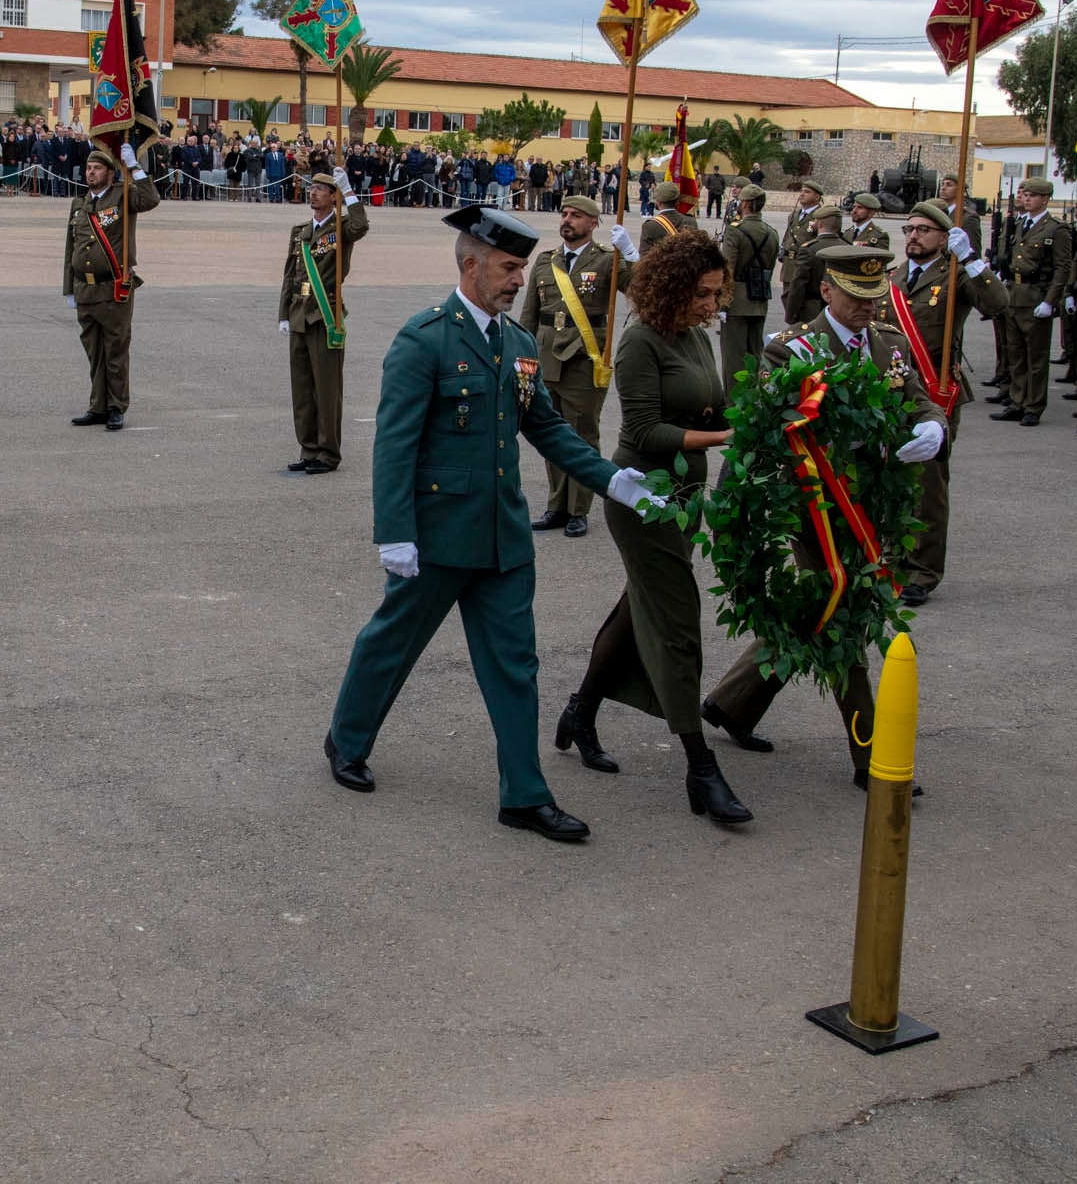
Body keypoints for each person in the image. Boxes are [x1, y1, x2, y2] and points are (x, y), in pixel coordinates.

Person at [323, 205, 630, 844]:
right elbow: (395, 444)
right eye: (509, 268)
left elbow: (546, 428)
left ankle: (524, 796)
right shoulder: (425, 338)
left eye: (521, 268)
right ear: (471, 265)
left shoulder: (519, 345)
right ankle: (346, 740)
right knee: (392, 643)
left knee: (515, 665)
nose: (519, 280)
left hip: (502, 538)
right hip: (437, 536)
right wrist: (395, 532)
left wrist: (612, 480)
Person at [701, 247, 948, 785]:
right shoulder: (790, 350)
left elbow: (918, 399)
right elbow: (766, 427)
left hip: (871, 504)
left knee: (818, 607)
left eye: (874, 297)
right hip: (812, 503)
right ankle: (872, 758)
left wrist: (933, 426)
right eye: (856, 297)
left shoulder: (890, 344)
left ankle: (732, 702)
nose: (867, 307)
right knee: (844, 615)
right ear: (827, 290)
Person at [554, 229, 756, 822]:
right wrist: (724, 436)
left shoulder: (695, 337)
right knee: (676, 626)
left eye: (717, 294)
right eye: (701, 294)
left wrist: (761, 413)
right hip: (643, 498)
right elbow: (644, 431)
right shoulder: (640, 340)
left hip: (685, 498)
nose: (711, 305)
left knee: (635, 611)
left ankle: (580, 712)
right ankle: (700, 768)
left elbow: (711, 407)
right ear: (671, 288)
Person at [889, 202, 1008, 605]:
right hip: (894, 390)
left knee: (928, 486)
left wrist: (971, 260)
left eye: (923, 230)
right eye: (909, 228)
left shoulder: (955, 274)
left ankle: (922, 571)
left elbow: (997, 304)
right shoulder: (895, 276)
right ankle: (893, 558)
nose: (913, 236)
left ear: (944, 237)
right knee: (892, 478)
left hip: (935, 391)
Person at [518, 194, 637, 534]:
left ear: (592, 223)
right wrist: (523, 358)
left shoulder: (607, 260)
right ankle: (556, 505)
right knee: (550, 434)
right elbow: (529, 316)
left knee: (582, 434)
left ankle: (578, 509)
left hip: (584, 358)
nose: (567, 220)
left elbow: (641, 290)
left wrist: (631, 256)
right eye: (564, 214)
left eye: (575, 215)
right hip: (546, 358)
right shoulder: (546, 261)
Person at [280, 163, 371, 474]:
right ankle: (309, 449)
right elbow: (289, 276)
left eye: (320, 189)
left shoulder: (342, 228)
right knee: (302, 389)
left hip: (324, 315)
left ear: (333, 196)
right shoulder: (300, 232)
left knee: (327, 389)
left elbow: (361, 225)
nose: (313, 192)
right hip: (298, 315)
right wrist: (283, 314)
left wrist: (349, 191)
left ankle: (328, 453)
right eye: (312, 188)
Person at [64, 140, 159, 431]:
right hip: (85, 289)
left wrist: (133, 166)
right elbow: (70, 250)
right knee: (94, 353)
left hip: (113, 289)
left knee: (115, 352)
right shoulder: (80, 204)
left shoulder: (123, 195)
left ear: (109, 172)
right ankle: (98, 407)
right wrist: (68, 288)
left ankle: (116, 407)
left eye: (96, 168)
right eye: (88, 168)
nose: (90, 173)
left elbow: (151, 199)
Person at [992, 177, 1072, 425]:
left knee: (1035, 358)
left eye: (1033, 195)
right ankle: (1017, 401)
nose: (1027, 199)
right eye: (1025, 194)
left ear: (1045, 199)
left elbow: (1062, 268)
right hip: (1015, 294)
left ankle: (1033, 406)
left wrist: (1050, 301)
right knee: (1015, 354)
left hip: (1036, 295)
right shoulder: (1019, 224)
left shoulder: (1056, 229)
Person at [718, 184, 779, 402]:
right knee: (755, 355)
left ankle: (734, 404)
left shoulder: (735, 230)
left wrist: (722, 301)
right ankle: (755, 400)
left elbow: (728, 269)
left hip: (736, 300)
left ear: (744, 204)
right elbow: (770, 267)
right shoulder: (772, 232)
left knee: (734, 359)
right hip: (759, 298)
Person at [639, 183, 694, 254]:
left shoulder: (650, 226)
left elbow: (644, 257)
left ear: (658, 202)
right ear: (677, 202)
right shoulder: (691, 222)